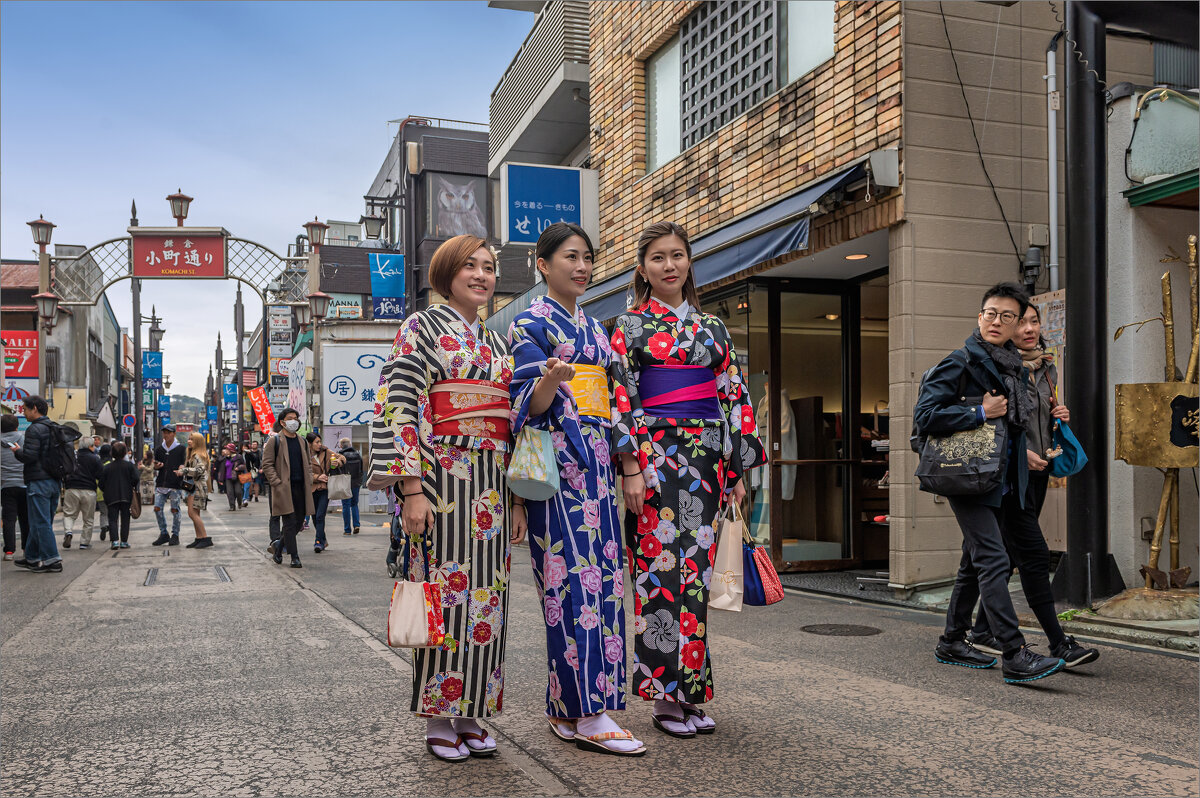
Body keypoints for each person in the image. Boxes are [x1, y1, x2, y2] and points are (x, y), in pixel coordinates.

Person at [367, 234, 526, 763]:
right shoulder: (420, 327)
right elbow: (401, 403)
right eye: (470, 266)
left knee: (488, 599)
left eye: (489, 267)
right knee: (446, 593)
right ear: (446, 273)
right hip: (443, 480)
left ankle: (474, 710)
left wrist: (518, 498)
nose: (482, 275)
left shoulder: (497, 342)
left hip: (492, 481)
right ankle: (440, 713)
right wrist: (411, 488)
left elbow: (509, 421)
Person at [610, 221, 766, 739]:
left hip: (704, 464)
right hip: (654, 463)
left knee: (695, 579)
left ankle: (691, 690)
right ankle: (662, 697)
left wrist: (735, 471)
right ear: (642, 268)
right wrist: (630, 465)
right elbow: (620, 399)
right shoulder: (628, 327)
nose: (669, 265)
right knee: (658, 574)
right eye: (658, 258)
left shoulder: (714, 328)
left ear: (689, 262)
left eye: (677, 255)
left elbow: (733, 396)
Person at [507, 223, 642, 755]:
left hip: (599, 470)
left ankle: (570, 709)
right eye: (570, 257)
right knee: (569, 588)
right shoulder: (529, 324)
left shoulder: (597, 328)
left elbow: (614, 400)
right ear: (543, 264)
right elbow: (525, 408)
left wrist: (629, 465)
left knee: (604, 582)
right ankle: (589, 714)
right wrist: (547, 382)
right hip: (558, 470)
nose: (582, 267)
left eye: (588, 258)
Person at [914, 283, 1066, 685]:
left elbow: (1012, 429)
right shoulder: (961, 361)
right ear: (979, 318)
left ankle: (952, 640)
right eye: (991, 314)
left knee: (974, 561)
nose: (998, 321)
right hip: (966, 475)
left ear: (1017, 324)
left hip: (999, 476)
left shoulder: (1010, 365)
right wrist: (978, 411)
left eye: (1007, 316)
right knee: (994, 558)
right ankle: (1015, 654)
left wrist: (1028, 450)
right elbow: (925, 417)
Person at [967, 305, 1100, 668]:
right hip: (1008, 474)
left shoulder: (1046, 366)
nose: (1028, 328)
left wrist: (1058, 413)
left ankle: (974, 632)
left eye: (1034, 321)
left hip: (1038, 470)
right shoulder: (997, 368)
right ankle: (1058, 643)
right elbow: (987, 423)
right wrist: (1017, 453)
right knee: (1034, 554)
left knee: (1000, 555)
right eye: (1020, 321)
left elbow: (1036, 415)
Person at [11, 395, 64, 572]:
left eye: (25, 409)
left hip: (38, 481)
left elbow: (30, 457)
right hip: (54, 482)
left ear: (34, 408)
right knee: (41, 521)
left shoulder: (35, 429)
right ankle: (32, 557)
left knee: (40, 522)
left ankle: (52, 560)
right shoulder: (54, 427)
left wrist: (18, 451)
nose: (23, 412)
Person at [261, 408, 314, 568]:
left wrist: (310, 477)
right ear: (282, 422)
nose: (294, 421)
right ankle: (294, 556)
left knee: (299, 523)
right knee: (289, 522)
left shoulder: (302, 441)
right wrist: (276, 482)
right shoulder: (275, 440)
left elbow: (309, 463)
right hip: (284, 488)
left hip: (301, 487)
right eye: (290, 418)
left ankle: (278, 547)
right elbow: (267, 464)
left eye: (296, 418)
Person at [305, 432, 344, 553]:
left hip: (324, 489)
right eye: (316, 442)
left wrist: (338, 462)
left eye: (320, 441)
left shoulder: (326, 452)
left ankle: (318, 542)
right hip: (311, 489)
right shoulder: (304, 454)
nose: (319, 444)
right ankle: (323, 540)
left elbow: (342, 458)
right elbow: (304, 472)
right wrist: (317, 477)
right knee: (315, 518)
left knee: (320, 515)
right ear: (310, 444)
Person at [62, 437, 102, 550]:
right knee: (88, 519)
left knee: (69, 514)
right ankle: (84, 543)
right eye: (93, 445)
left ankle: (68, 532)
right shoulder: (95, 458)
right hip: (89, 490)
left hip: (71, 488)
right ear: (90, 446)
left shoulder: (72, 457)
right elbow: (100, 475)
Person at [99, 441, 138, 549]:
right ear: (125, 453)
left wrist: (106, 490)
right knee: (125, 518)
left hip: (111, 496)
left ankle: (114, 541)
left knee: (112, 518)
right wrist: (131, 485)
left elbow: (101, 483)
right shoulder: (129, 466)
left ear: (112, 453)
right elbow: (136, 478)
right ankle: (124, 541)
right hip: (126, 495)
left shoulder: (107, 467)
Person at [152, 425, 187, 546]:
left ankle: (175, 534)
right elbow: (155, 465)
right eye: (164, 433)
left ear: (174, 434)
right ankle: (163, 533)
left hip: (174, 483)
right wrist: (156, 466)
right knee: (157, 508)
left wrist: (182, 468)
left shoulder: (181, 449)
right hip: (161, 482)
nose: (166, 435)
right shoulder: (159, 449)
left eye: (168, 433)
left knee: (175, 510)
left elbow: (184, 463)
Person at [1, 413, 29, 560]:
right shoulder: (23, 439)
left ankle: (9, 551)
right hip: (24, 484)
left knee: (9, 519)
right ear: (17, 426)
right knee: (25, 519)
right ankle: (26, 549)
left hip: (6, 485)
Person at [178, 432, 213, 549]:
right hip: (194, 486)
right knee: (194, 513)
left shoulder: (198, 455)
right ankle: (199, 538)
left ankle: (205, 538)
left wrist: (184, 470)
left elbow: (199, 470)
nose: (189, 441)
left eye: (192, 439)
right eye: (189, 439)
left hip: (196, 487)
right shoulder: (195, 455)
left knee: (192, 513)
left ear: (197, 442)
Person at [337, 438, 363, 536]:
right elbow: (361, 469)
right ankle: (356, 525)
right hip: (356, 483)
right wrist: (359, 481)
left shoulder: (340, 456)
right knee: (354, 504)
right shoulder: (357, 455)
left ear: (341, 446)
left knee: (346, 506)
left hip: (344, 483)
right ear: (350, 444)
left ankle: (347, 530)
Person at [217, 443, 247, 511]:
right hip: (228, 478)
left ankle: (239, 502)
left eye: (227, 449)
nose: (225, 450)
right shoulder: (225, 458)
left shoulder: (239, 457)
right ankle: (232, 506)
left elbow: (244, 465)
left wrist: (239, 467)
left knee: (238, 491)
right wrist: (220, 479)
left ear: (231, 450)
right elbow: (221, 469)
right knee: (229, 492)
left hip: (237, 477)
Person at [96, 443, 112, 543]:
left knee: (103, 512)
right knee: (111, 512)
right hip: (110, 491)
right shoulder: (110, 464)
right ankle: (110, 527)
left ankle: (103, 526)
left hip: (99, 491)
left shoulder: (98, 463)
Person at [243, 440, 262, 505]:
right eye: (253, 444)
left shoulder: (259, 453)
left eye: (255, 444)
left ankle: (256, 496)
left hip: (257, 469)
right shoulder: (249, 453)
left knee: (257, 483)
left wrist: (261, 468)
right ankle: (250, 495)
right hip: (250, 470)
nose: (253, 445)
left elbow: (261, 460)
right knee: (250, 483)